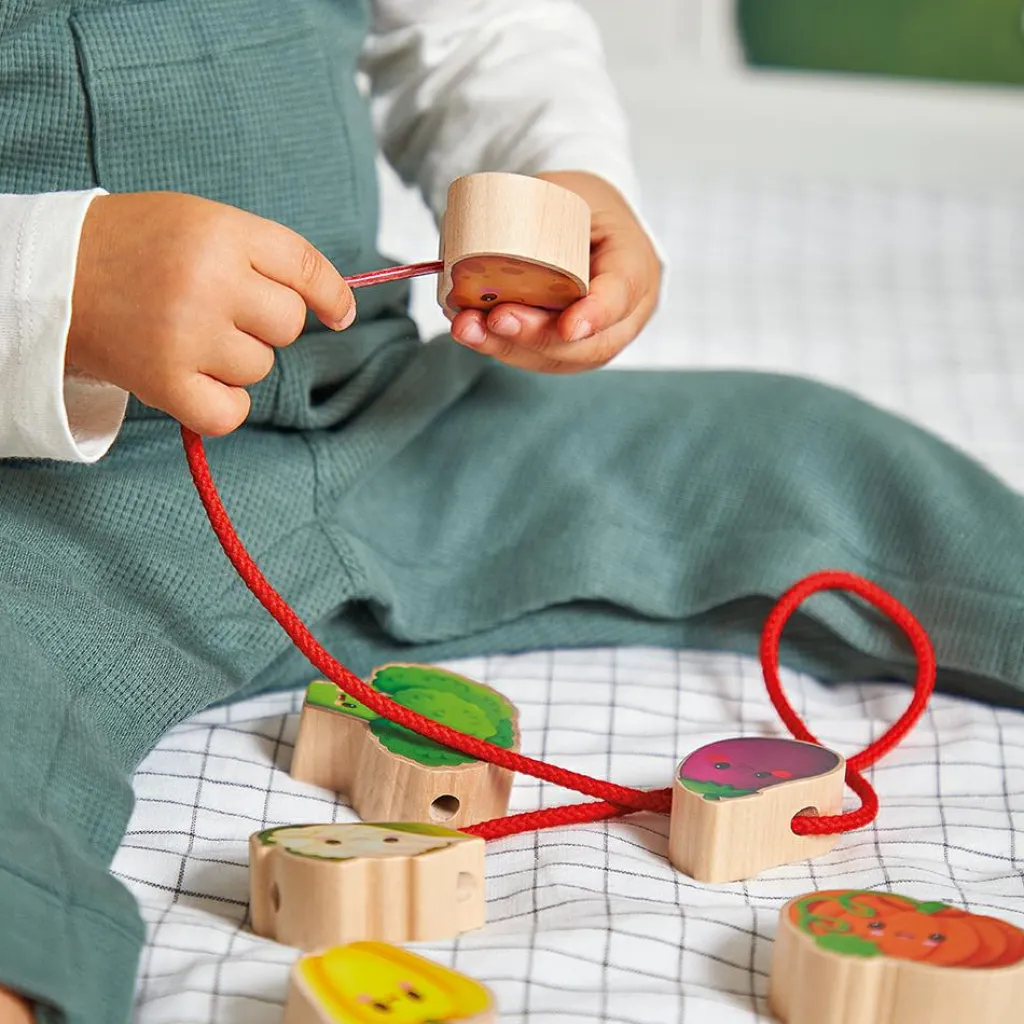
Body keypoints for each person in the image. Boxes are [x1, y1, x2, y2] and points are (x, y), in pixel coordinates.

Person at [2, 2, 1023, 1022]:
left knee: (809, 451)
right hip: (47, 498)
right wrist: (63, 284)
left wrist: (556, 174)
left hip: (380, 412)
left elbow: (470, 28)